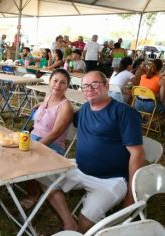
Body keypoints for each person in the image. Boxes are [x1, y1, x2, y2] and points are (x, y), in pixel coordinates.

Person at [47, 71, 145, 233]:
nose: (89, 89)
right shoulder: (85, 109)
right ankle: (68, 221)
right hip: (78, 168)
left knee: (85, 223)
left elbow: (138, 154)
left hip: (111, 180)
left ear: (106, 86)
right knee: (43, 177)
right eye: (85, 85)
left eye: (95, 84)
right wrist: (47, 104)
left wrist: (131, 195)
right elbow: (68, 115)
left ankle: (78, 228)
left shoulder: (124, 113)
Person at [21, 69, 74, 209]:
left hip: (52, 145)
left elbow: (55, 133)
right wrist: (40, 105)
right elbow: (48, 108)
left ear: (67, 86)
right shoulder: (49, 96)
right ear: (49, 81)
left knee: (28, 160)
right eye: (55, 81)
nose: (58, 85)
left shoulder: (66, 106)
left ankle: (33, 193)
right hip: (34, 138)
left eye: (62, 83)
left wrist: (35, 147)